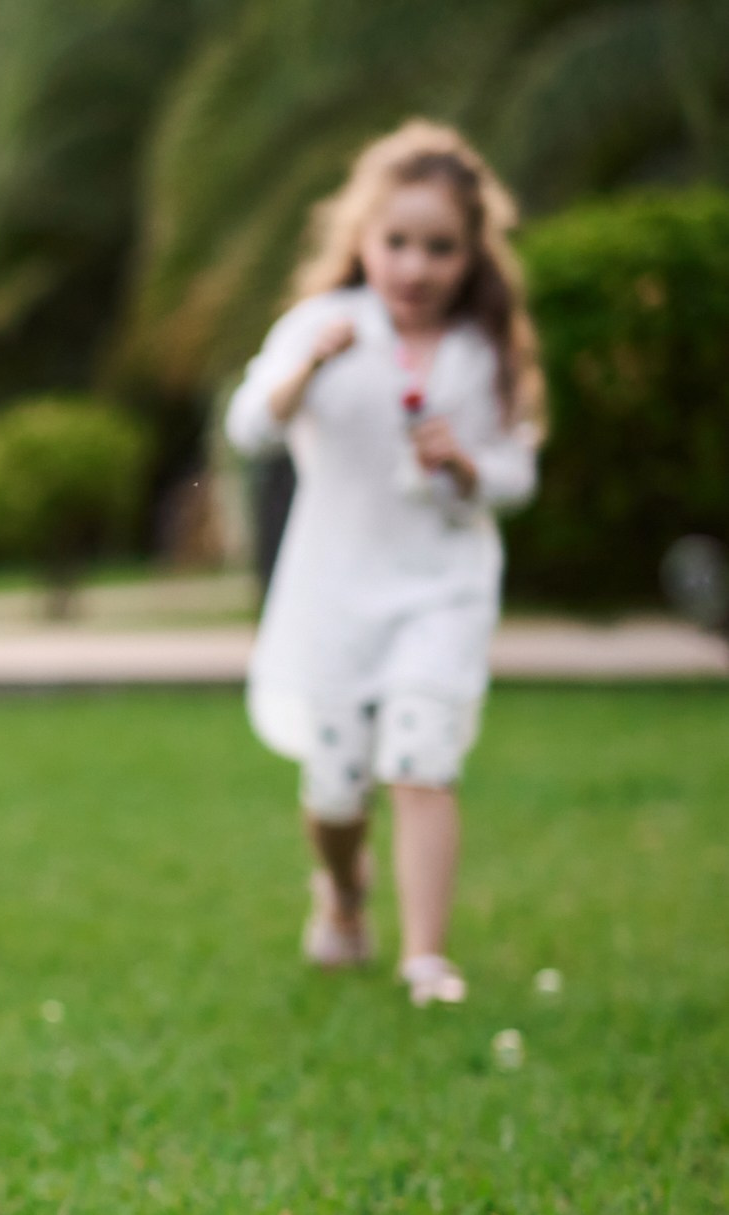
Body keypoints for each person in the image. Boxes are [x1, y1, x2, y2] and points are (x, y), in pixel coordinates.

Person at [226, 120, 543, 1007]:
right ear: (362, 241)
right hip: (335, 591)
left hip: (442, 589)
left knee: (421, 761)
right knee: (335, 791)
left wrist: (467, 465)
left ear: (471, 254)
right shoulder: (324, 327)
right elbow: (249, 425)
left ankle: (426, 957)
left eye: (439, 248)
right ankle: (345, 887)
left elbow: (517, 472)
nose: (415, 266)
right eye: (397, 243)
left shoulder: (486, 352)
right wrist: (303, 377)